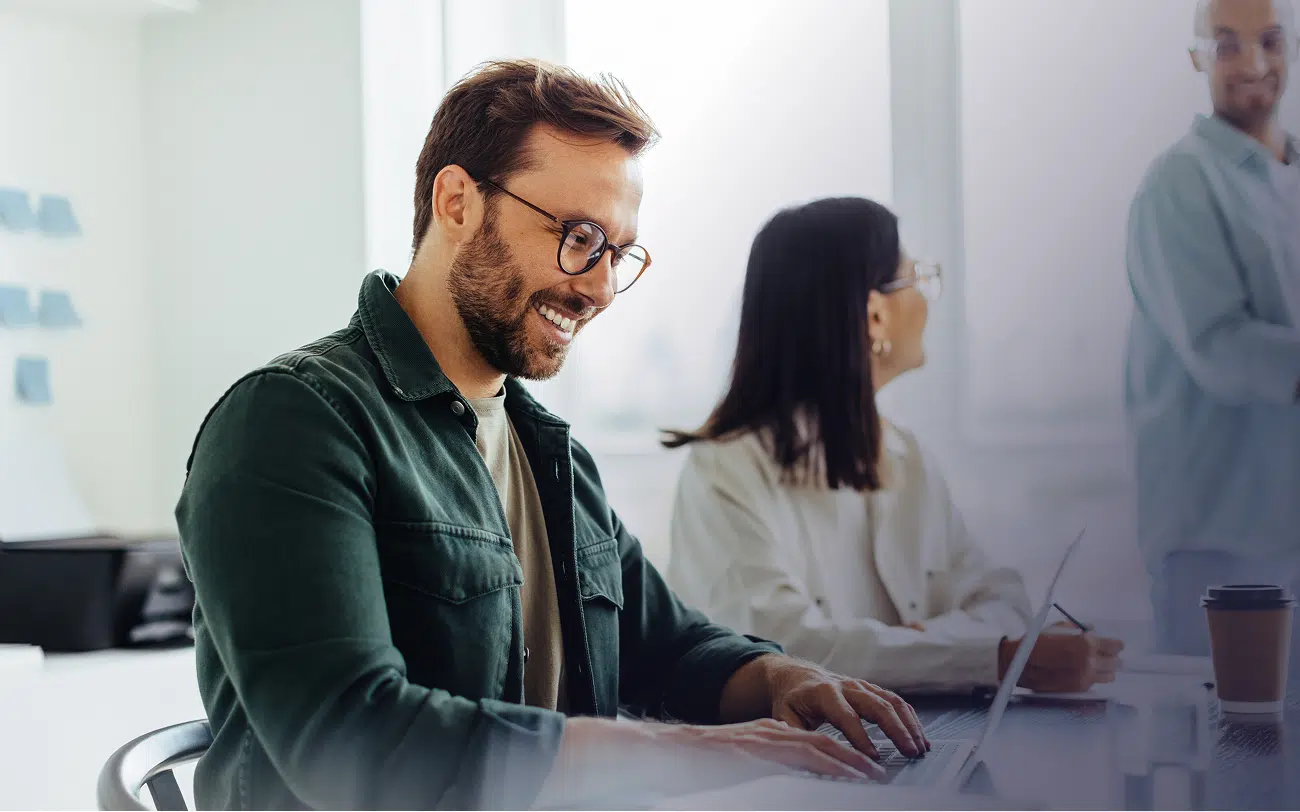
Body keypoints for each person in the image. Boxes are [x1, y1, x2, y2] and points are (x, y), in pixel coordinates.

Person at [175, 61, 931, 810]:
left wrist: (782, 678)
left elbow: (668, 646)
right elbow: (352, 741)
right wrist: (687, 755)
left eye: (617, 253)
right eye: (578, 237)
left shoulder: (551, 453)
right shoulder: (293, 421)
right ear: (457, 202)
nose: (600, 288)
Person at [665, 198, 1123, 696]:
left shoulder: (907, 457)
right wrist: (992, 656)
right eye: (916, 281)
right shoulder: (725, 469)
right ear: (875, 315)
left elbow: (1005, 600)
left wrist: (920, 646)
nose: (927, 301)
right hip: (793, 755)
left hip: (926, 732)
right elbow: (782, 648)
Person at [1125, 0, 1300, 657]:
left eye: (1270, 41)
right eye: (1227, 45)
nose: (1252, 64)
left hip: (1290, 538)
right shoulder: (1179, 184)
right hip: (1218, 549)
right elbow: (1224, 350)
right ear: (1198, 56)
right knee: (1228, 750)